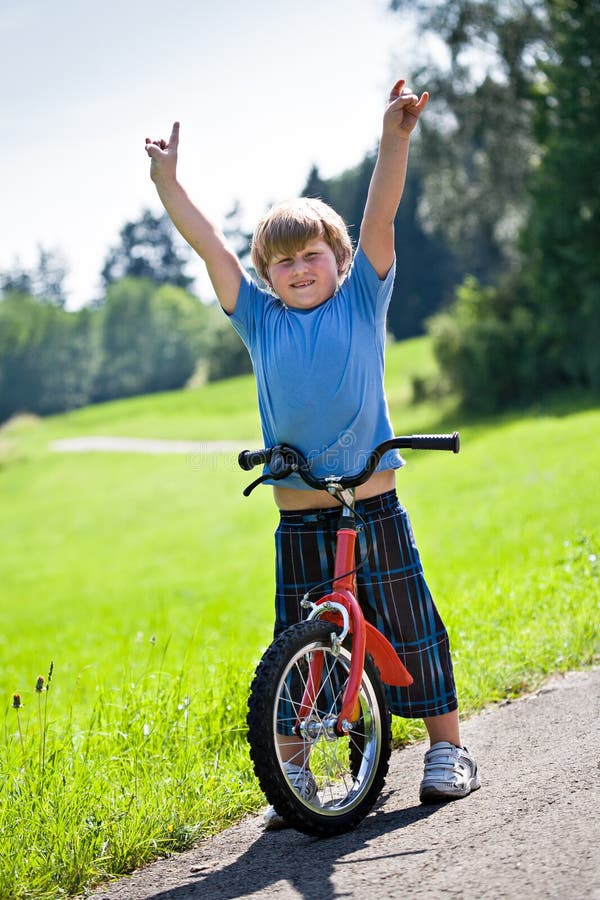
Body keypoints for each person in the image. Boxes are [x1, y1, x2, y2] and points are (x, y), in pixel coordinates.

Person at [145, 79, 480, 826]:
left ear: (340, 258)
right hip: (300, 515)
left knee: (409, 622)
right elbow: (210, 244)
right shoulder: (259, 320)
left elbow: (380, 214)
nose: (299, 268)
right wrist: (169, 183)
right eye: (283, 261)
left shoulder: (363, 299)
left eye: (313, 255)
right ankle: (292, 772)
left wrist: (394, 137)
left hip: (373, 504)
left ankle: (447, 749)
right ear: (265, 276)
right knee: (299, 642)